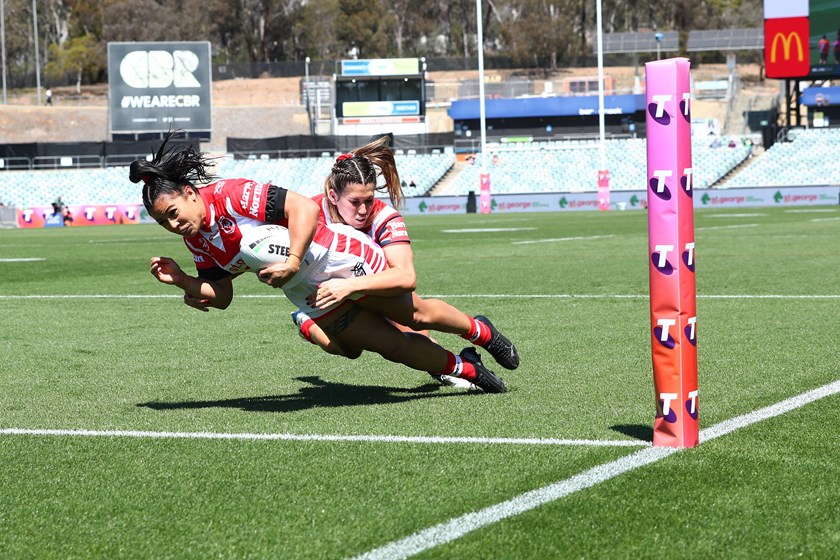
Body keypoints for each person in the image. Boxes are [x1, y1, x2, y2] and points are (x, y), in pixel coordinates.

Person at [131, 132, 508, 393]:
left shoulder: (232, 195)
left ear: (190, 193)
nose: (173, 225)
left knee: (416, 317)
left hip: (335, 257)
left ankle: (479, 332)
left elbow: (303, 209)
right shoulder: (196, 240)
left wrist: (293, 260)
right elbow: (223, 294)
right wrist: (183, 281)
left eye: (174, 213)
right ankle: (467, 370)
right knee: (389, 347)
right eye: (163, 222)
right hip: (304, 292)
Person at [292, 137, 520, 376]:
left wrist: (349, 285)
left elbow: (406, 277)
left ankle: (482, 335)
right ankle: (305, 322)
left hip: (371, 284)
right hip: (330, 288)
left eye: (369, 200)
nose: (363, 210)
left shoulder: (384, 218)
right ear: (332, 196)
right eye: (355, 202)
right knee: (350, 350)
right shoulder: (309, 212)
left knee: (416, 318)